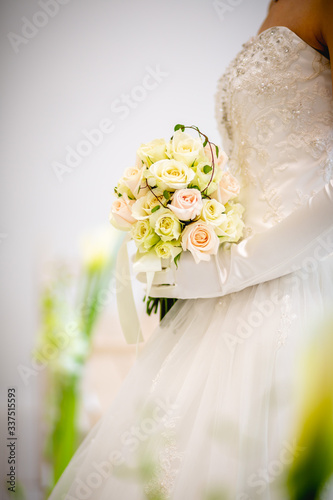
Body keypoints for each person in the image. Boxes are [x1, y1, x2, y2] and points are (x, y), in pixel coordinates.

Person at [49, 0, 333, 498]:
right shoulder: (271, 8)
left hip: (291, 285)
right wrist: (192, 225)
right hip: (223, 298)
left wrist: (235, 266)